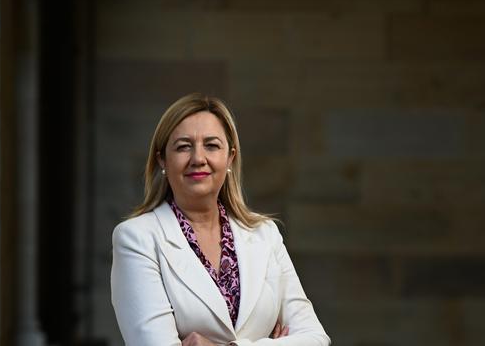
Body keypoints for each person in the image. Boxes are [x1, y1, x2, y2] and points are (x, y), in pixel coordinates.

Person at [110, 93, 330, 346]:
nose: (198, 158)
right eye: (183, 146)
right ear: (162, 159)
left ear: (230, 157)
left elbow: (315, 338)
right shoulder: (136, 238)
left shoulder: (264, 233)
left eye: (212, 145)